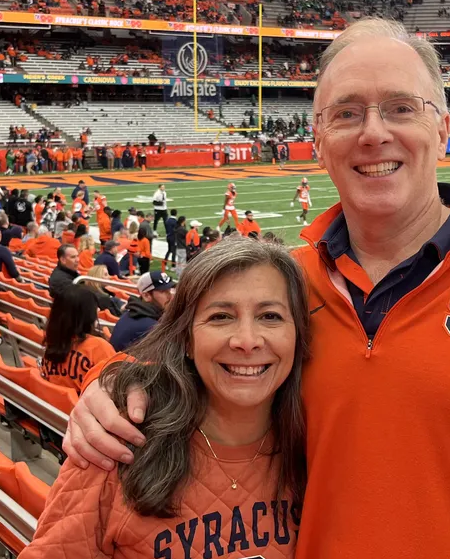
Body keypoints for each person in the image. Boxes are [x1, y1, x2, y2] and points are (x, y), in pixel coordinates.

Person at [62, 18, 450, 559]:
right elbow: (173, 363)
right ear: (320, 139)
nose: (373, 133)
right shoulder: (279, 287)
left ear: (442, 128)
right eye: (347, 113)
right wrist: (114, 388)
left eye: (400, 108)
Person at [22, 238, 309, 558]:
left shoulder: (317, 445)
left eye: (270, 316)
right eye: (220, 317)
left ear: (298, 334)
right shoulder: (114, 442)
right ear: (185, 337)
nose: (246, 340)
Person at [40, 286, 116, 394]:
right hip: (86, 408)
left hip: (58, 406)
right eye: (94, 307)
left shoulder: (53, 340)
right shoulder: (98, 347)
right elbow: (117, 387)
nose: (98, 310)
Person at [110, 271, 175, 351]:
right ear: (146, 296)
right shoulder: (149, 327)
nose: (170, 296)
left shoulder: (133, 313)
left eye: (169, 290)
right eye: (163, 291)